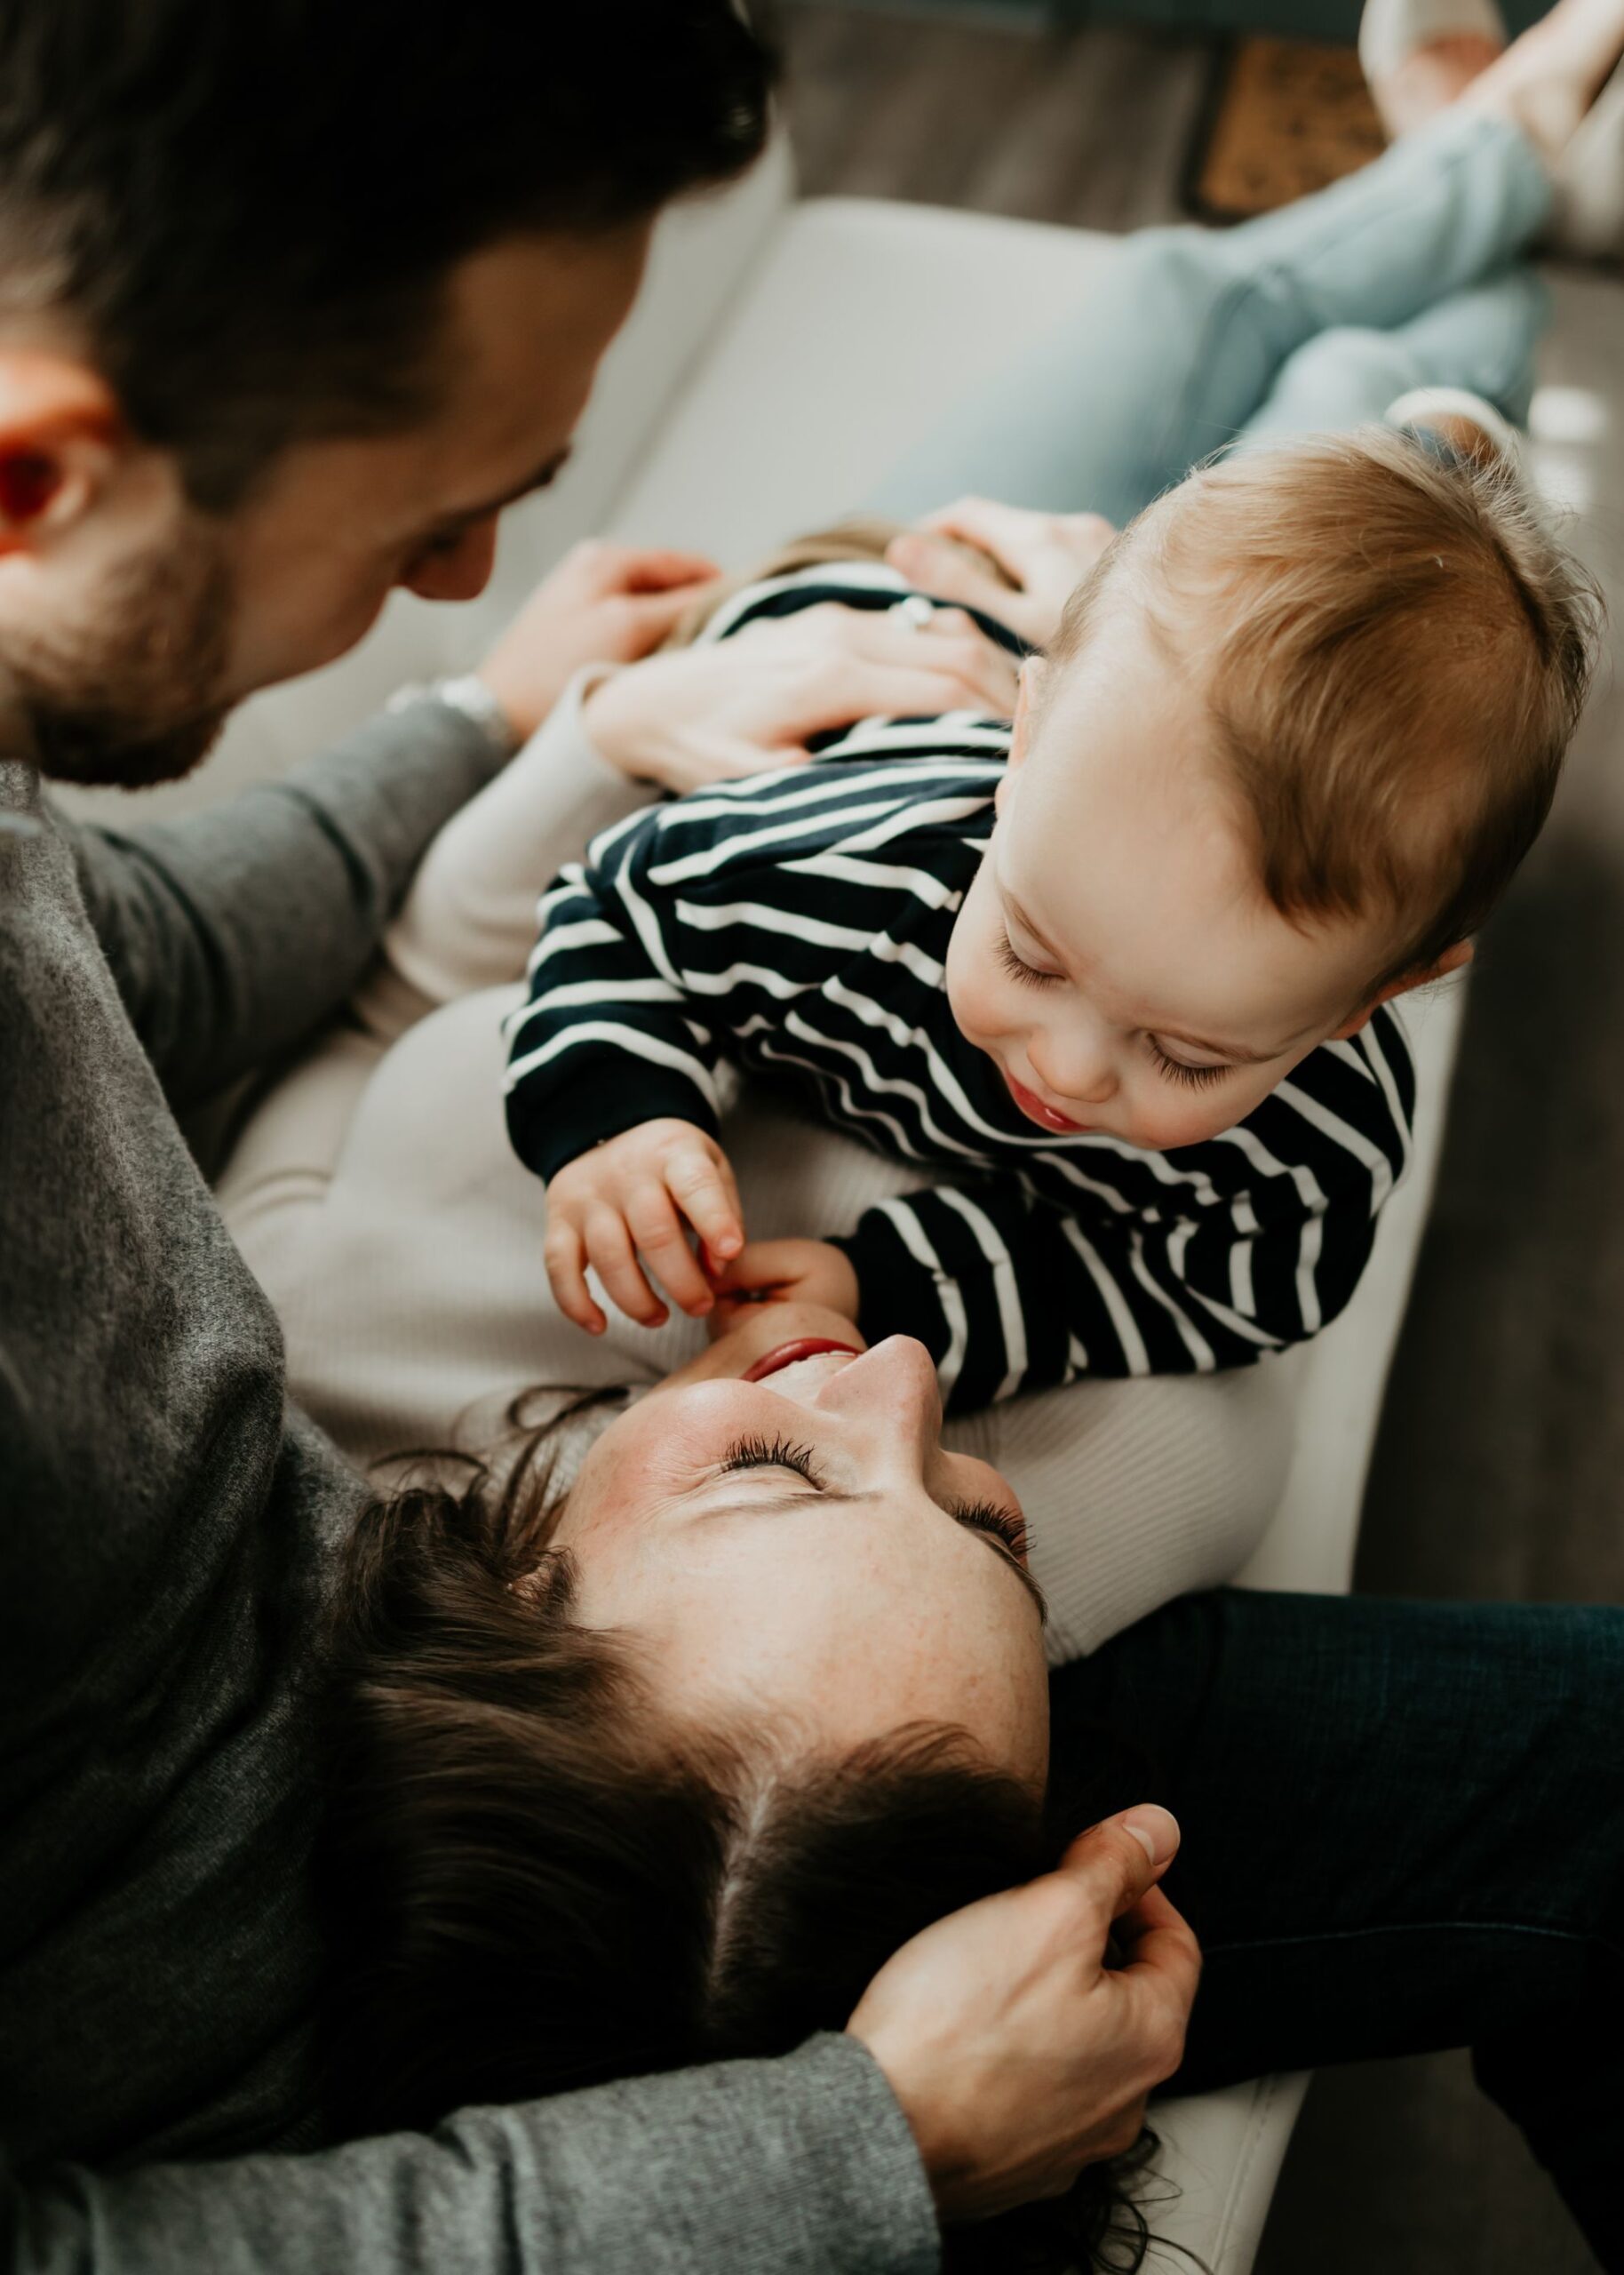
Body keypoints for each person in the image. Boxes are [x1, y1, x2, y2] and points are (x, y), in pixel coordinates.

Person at [212, 7, 1624, 2265]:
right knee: (1391, 455)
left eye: (776, 1462)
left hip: (822, 652)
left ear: (507, 1575)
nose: (878, 1384)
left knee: (1191, 317)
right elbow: (1199, 1368)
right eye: (978, 1504)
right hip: (1043, 717)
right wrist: (961, 1335)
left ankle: (1464, 151)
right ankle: (1499, 225)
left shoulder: (322, 1342)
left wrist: (600, 728)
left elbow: (429, 973)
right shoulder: (1055, 1458)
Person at [1, 4, 1202, 2268]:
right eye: (432, 518)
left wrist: (481, 725)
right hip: (611, 1892)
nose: (457, 573)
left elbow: (94, 941)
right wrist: (866, 2147)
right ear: (37, 482)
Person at [502, 422, 1595, 1409]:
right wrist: (616, 1115)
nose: (1066, 1071)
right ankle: (1414, 427)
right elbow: (612, 905)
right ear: (1019, 750)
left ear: (1383, 991)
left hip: (1099, 664)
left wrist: (885, 1282)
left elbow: (1207, 1297)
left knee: (1364, 545)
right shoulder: (844, 865)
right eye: (1028, 955)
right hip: (860, 611)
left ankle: (1425, 430)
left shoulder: (1314, 1153)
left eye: (1185, 1053)